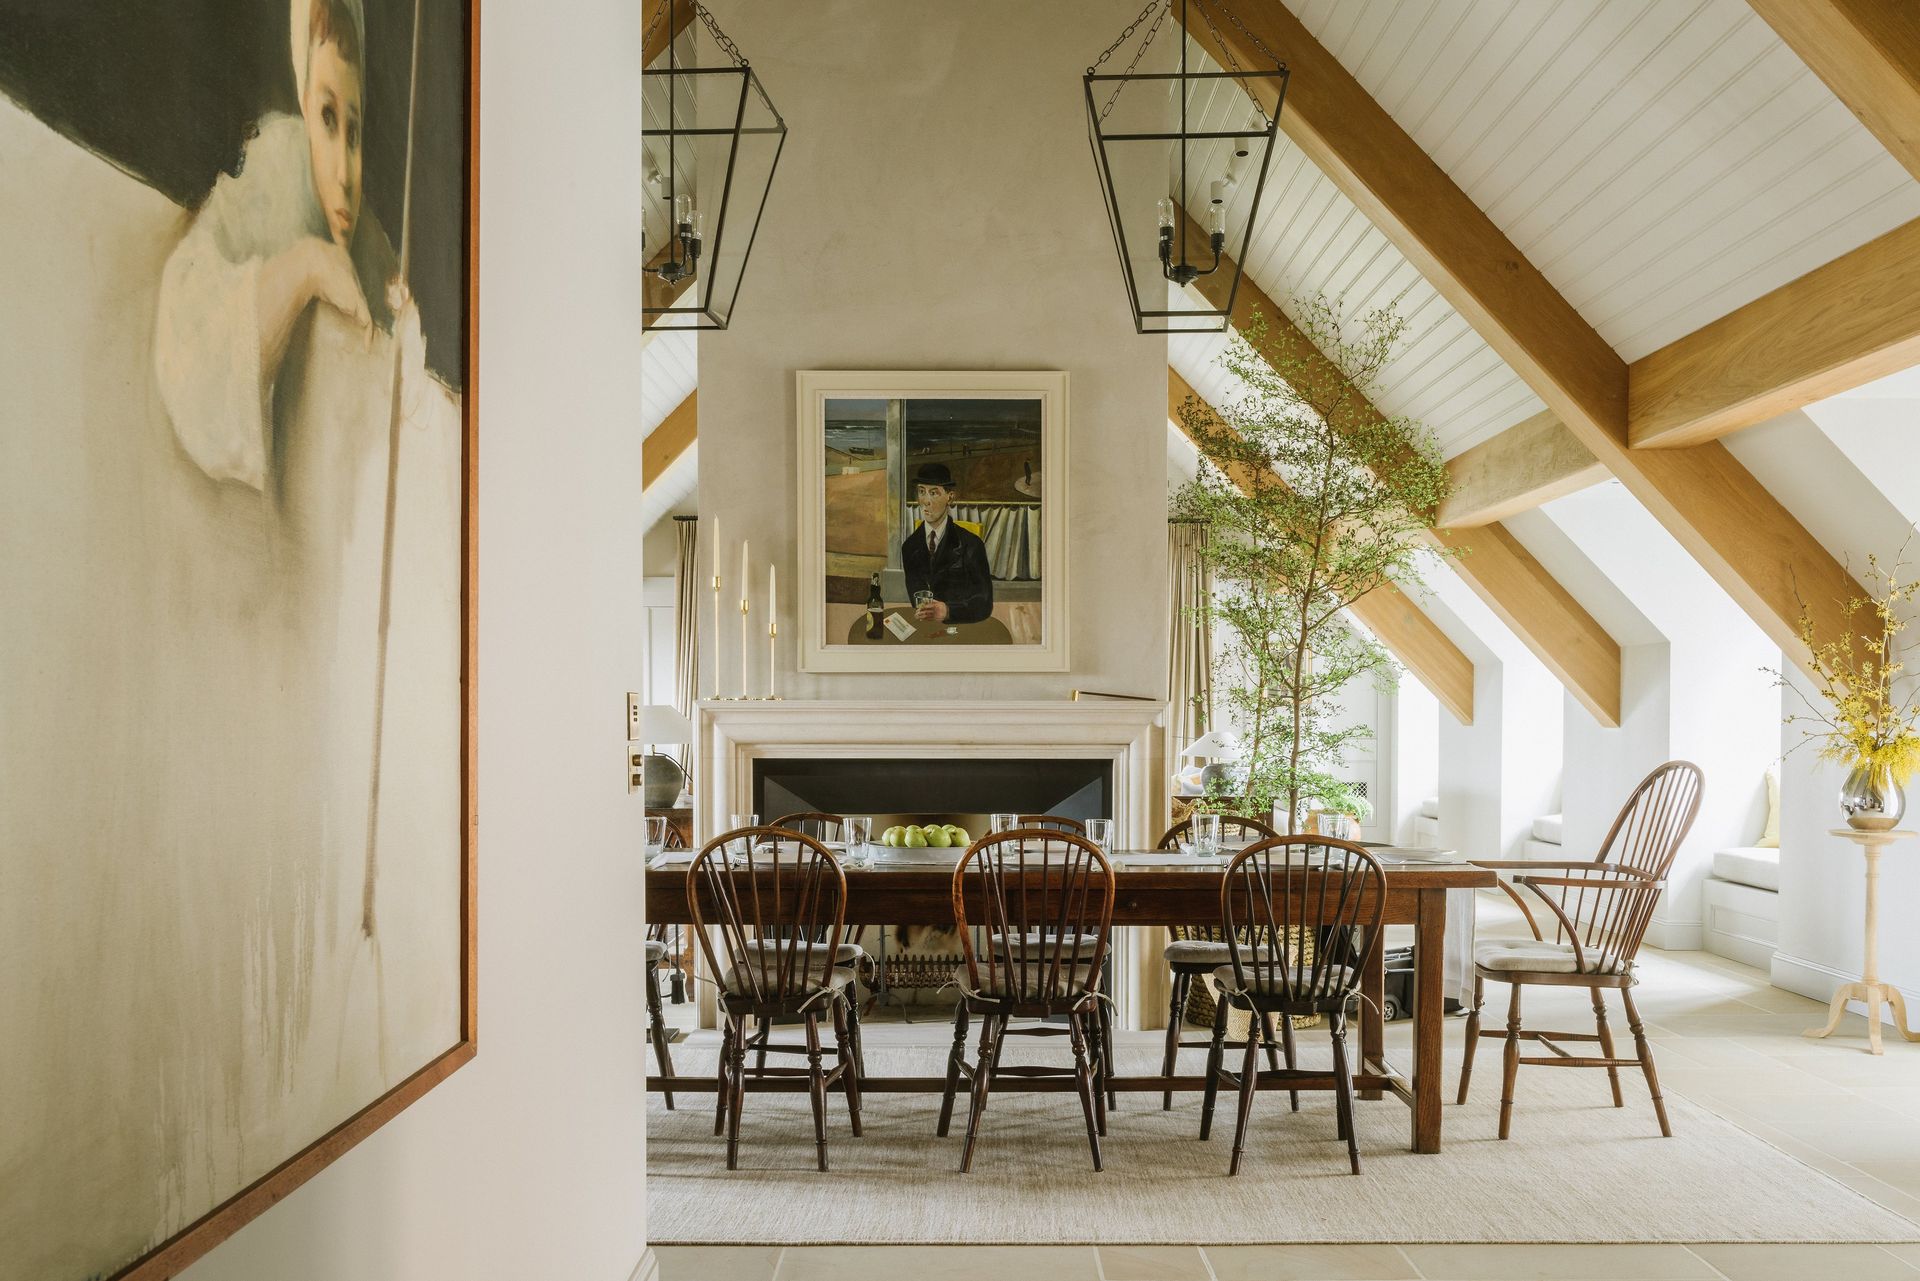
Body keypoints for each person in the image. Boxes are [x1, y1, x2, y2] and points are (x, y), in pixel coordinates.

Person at [154, 0, 422, 492]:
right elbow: (189, 360)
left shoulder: (374, 246)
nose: (345, 172)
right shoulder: (274, 168)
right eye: (326, 117)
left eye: (355, 133)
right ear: (302, 104)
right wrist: (307, 267)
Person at [900, 461, 993, 625]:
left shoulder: (972, 545)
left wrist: (949, 611)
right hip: (926, 628)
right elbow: (916, 597)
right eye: (922, 492)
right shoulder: (909, 546)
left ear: (950, 497)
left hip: (963, 626)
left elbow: (984, 603)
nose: (926, 501)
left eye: (934, 493)